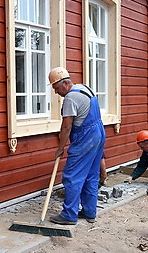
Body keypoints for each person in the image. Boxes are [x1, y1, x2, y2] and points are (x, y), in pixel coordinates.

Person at [48, 67, 105, 225]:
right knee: (91, 175)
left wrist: (60, 148)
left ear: (65, 83)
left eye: (57, 88)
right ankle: (89, 212)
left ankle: (69, 215)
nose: (56, 92)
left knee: (72, 176)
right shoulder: (84, 88)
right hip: (99, 132)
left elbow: (67, 127)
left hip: (86, 137)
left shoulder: (70, 98)